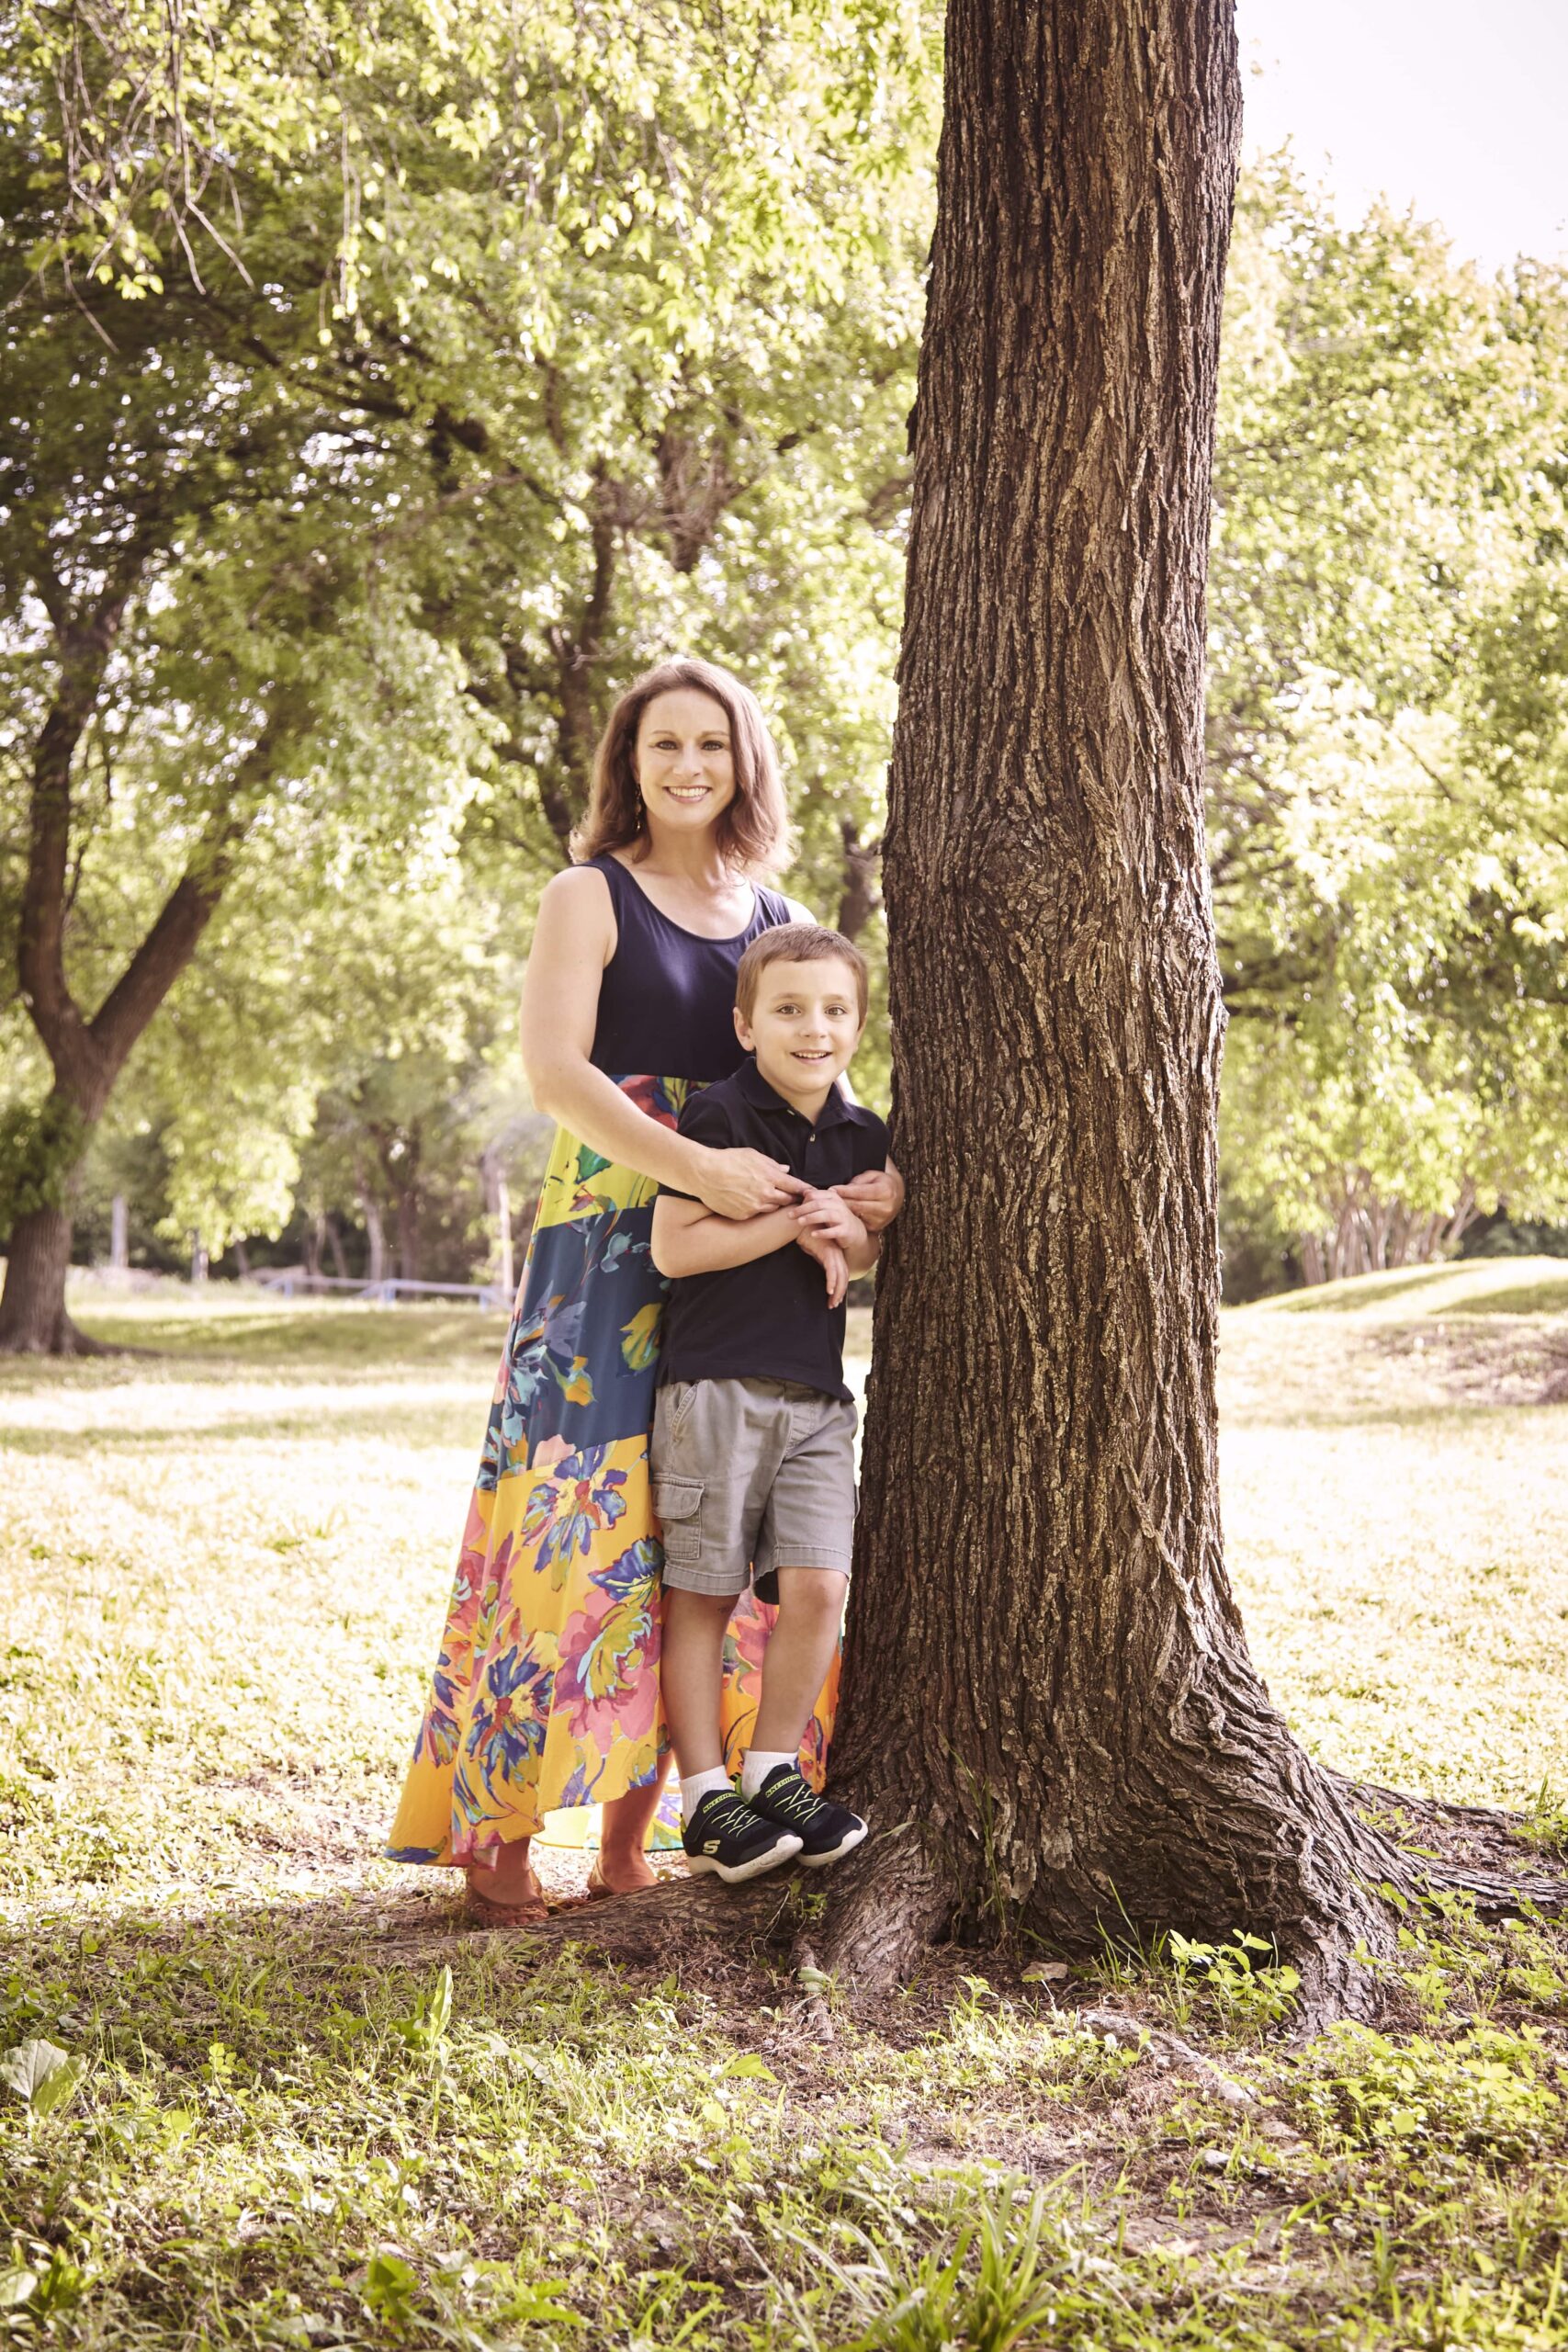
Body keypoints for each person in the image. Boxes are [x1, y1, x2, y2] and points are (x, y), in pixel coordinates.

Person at [386, 657, 902, 1921]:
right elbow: (555, 1072)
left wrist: (863, 1199)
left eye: (710, 745)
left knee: (691, 1537)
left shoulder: (777, 912)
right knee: (575, 1511)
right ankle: (501, 1835)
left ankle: (641, 1833)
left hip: (746, 1256)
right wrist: (696, 1168)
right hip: (609, 1238)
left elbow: (824, 1090)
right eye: (663, 744)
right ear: (629, 762)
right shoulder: (588, 893)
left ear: (743, 764)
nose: (687, 766)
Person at [649, 923, 889, 1881]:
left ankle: (773, 1768)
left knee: (820, 1586)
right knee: (704, 1591)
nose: (813, 1028)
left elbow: (862, 1246)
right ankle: (706, 1797)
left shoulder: (865, 1135)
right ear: (746, 1026)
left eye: (834, 1010)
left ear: (858, 1026)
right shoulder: (719, 1114)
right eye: (789, 1009)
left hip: (820, 1398)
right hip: (715, 1386)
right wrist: (793, 1223)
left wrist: (855, 1229)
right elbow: (676, 1247)